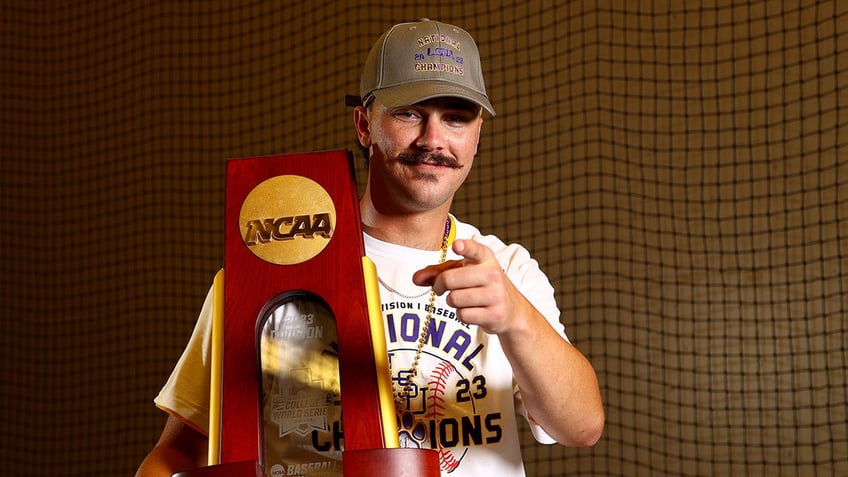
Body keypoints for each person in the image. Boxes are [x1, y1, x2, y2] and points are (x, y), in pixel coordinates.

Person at [136, 18, 603, 477]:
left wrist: (515, 318)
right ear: (364, 124)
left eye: (455, 118)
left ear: (477, 137)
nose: (433, 140)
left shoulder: (507, 270)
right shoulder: (273, 271)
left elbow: (581, 427)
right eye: (409, 113)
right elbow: (173, 455)